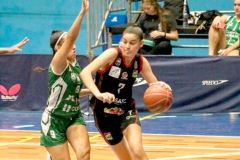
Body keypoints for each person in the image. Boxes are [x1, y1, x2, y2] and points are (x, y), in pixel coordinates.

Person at [80, 25, 171, 160]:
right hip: (103, 114)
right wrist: (97, 93)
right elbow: (85, 72)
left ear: (140, 44)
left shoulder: (140, 61)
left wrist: (161, 86)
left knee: (137, 150)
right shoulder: (112, 54)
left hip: (126, 110)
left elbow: (154, 84)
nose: (127, 46)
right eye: (124, 41)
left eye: (132, 43)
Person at [40, 0, 91, 160]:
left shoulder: (74, 63)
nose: (74, 46)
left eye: (75, 44)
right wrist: (82, 13)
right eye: (70, 44)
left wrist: (94, 91)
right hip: (54, 118)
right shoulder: (57, 63)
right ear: (58, 48)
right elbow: (69, 38)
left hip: (73, 115)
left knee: (84, 155)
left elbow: (73, 92)